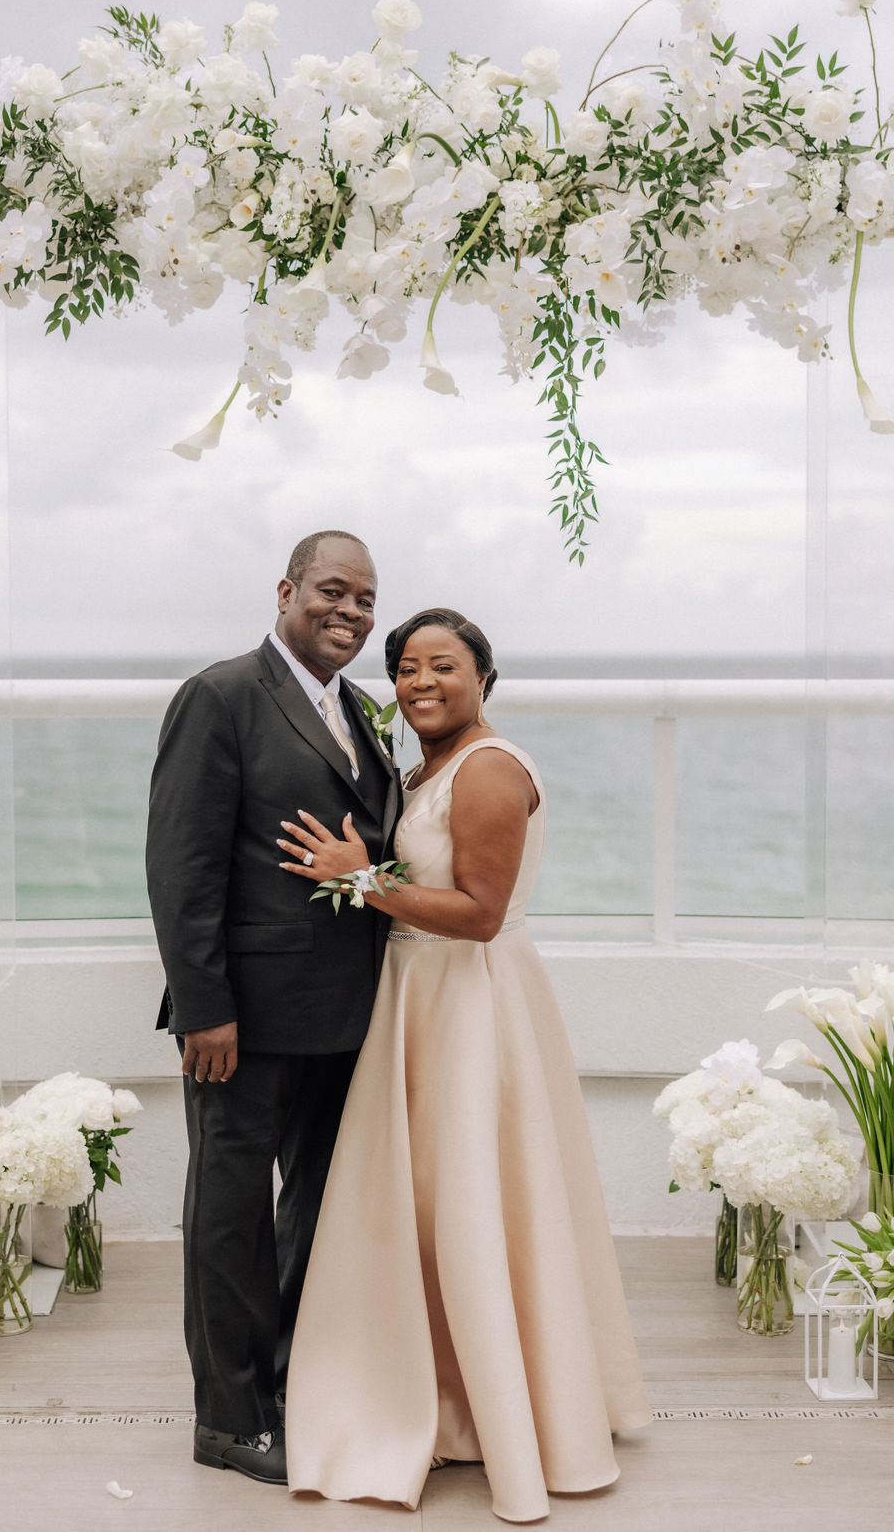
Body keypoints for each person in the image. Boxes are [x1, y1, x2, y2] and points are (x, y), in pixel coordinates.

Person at [278, 607, 652, 1525]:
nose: (420, 683)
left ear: (484, 676)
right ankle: (450, 1402)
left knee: (477, 1205)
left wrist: (360, 877)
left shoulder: (487, 769)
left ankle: (504, 1419)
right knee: (431, 1210)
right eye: (405, 668)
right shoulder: (423, 769)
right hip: (420, 997)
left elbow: (482, 910)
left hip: (471, 1001)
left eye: (442, 665)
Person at [145, 531, 400, 1486]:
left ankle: (291, 1382)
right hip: (241, 1023)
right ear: (287, 589)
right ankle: (230, 1416)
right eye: (333, 591)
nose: (351, 612)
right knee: (231, 1215)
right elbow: (182, 866)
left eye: (366, 600)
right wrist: (205, 1006)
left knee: (320, 1212)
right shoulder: (220, 697)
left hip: (344, 1016)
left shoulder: (362, 710)